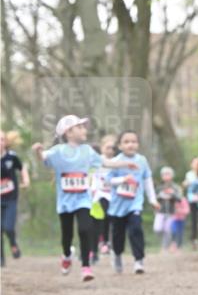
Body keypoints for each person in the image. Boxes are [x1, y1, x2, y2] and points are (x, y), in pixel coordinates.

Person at [32, 115, 133, 281]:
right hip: (65, 202)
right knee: (67, 235)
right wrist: (37, 151)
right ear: (69, 132)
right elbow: (43, 157)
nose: (85, 130)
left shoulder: (87, 151)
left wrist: (125, 163)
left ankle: (86, 266)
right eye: (80, 127)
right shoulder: (58, 151)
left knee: (85, 229)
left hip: (83, 200)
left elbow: (105, 163)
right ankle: (66, 255)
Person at [106, 130, 160, 274]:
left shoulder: (141, 160)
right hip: (117, 206)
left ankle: (138, 260)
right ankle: (117, 255)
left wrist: (153, 200)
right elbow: (108, 181)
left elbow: (147, 180)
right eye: (126, 141)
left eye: (134, 141)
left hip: (135, 203)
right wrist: (122, 180)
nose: (130, 144)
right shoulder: (116, 162)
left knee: (136, 229)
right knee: (118, 235)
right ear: (120, 145)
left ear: (138, 144)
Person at [1, 130, 30, 266]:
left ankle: (13, 244)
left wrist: (26, 180)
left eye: (1, 139)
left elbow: (22, 168)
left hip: (11, 198)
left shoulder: (12, 157)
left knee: (8, 227)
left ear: (5, 142)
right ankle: (1, 260)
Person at [90, 134, 117, 257]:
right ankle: (101, 243)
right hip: (99, 194)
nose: (111, 150)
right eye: (108, 148)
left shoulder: (118, 161)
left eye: (113, 148)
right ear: (102, 148)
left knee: (112, 219)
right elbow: (91, 174)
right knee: (102, 216)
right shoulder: (97, 161)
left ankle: (107, 242)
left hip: (114, 195)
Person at [155, 166, 183, 252]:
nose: (166, 176)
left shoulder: (175, 187)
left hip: (171, 212)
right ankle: (165, 244)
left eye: (168, 174)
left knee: (167, 230)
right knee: (158, 228)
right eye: (164, 174)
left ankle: (164, 248)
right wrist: (160, 196)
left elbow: (180, 199)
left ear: (172, 175)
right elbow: (154, 198)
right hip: (160, 211)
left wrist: (172, 194)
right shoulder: (159, 187)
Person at [183, 156, 198, 249]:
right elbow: (186, 184)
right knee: (194, 220)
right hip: (192, 200)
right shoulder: (189, 174)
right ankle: (194, 240)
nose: (196, 165)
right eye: (195, 163)